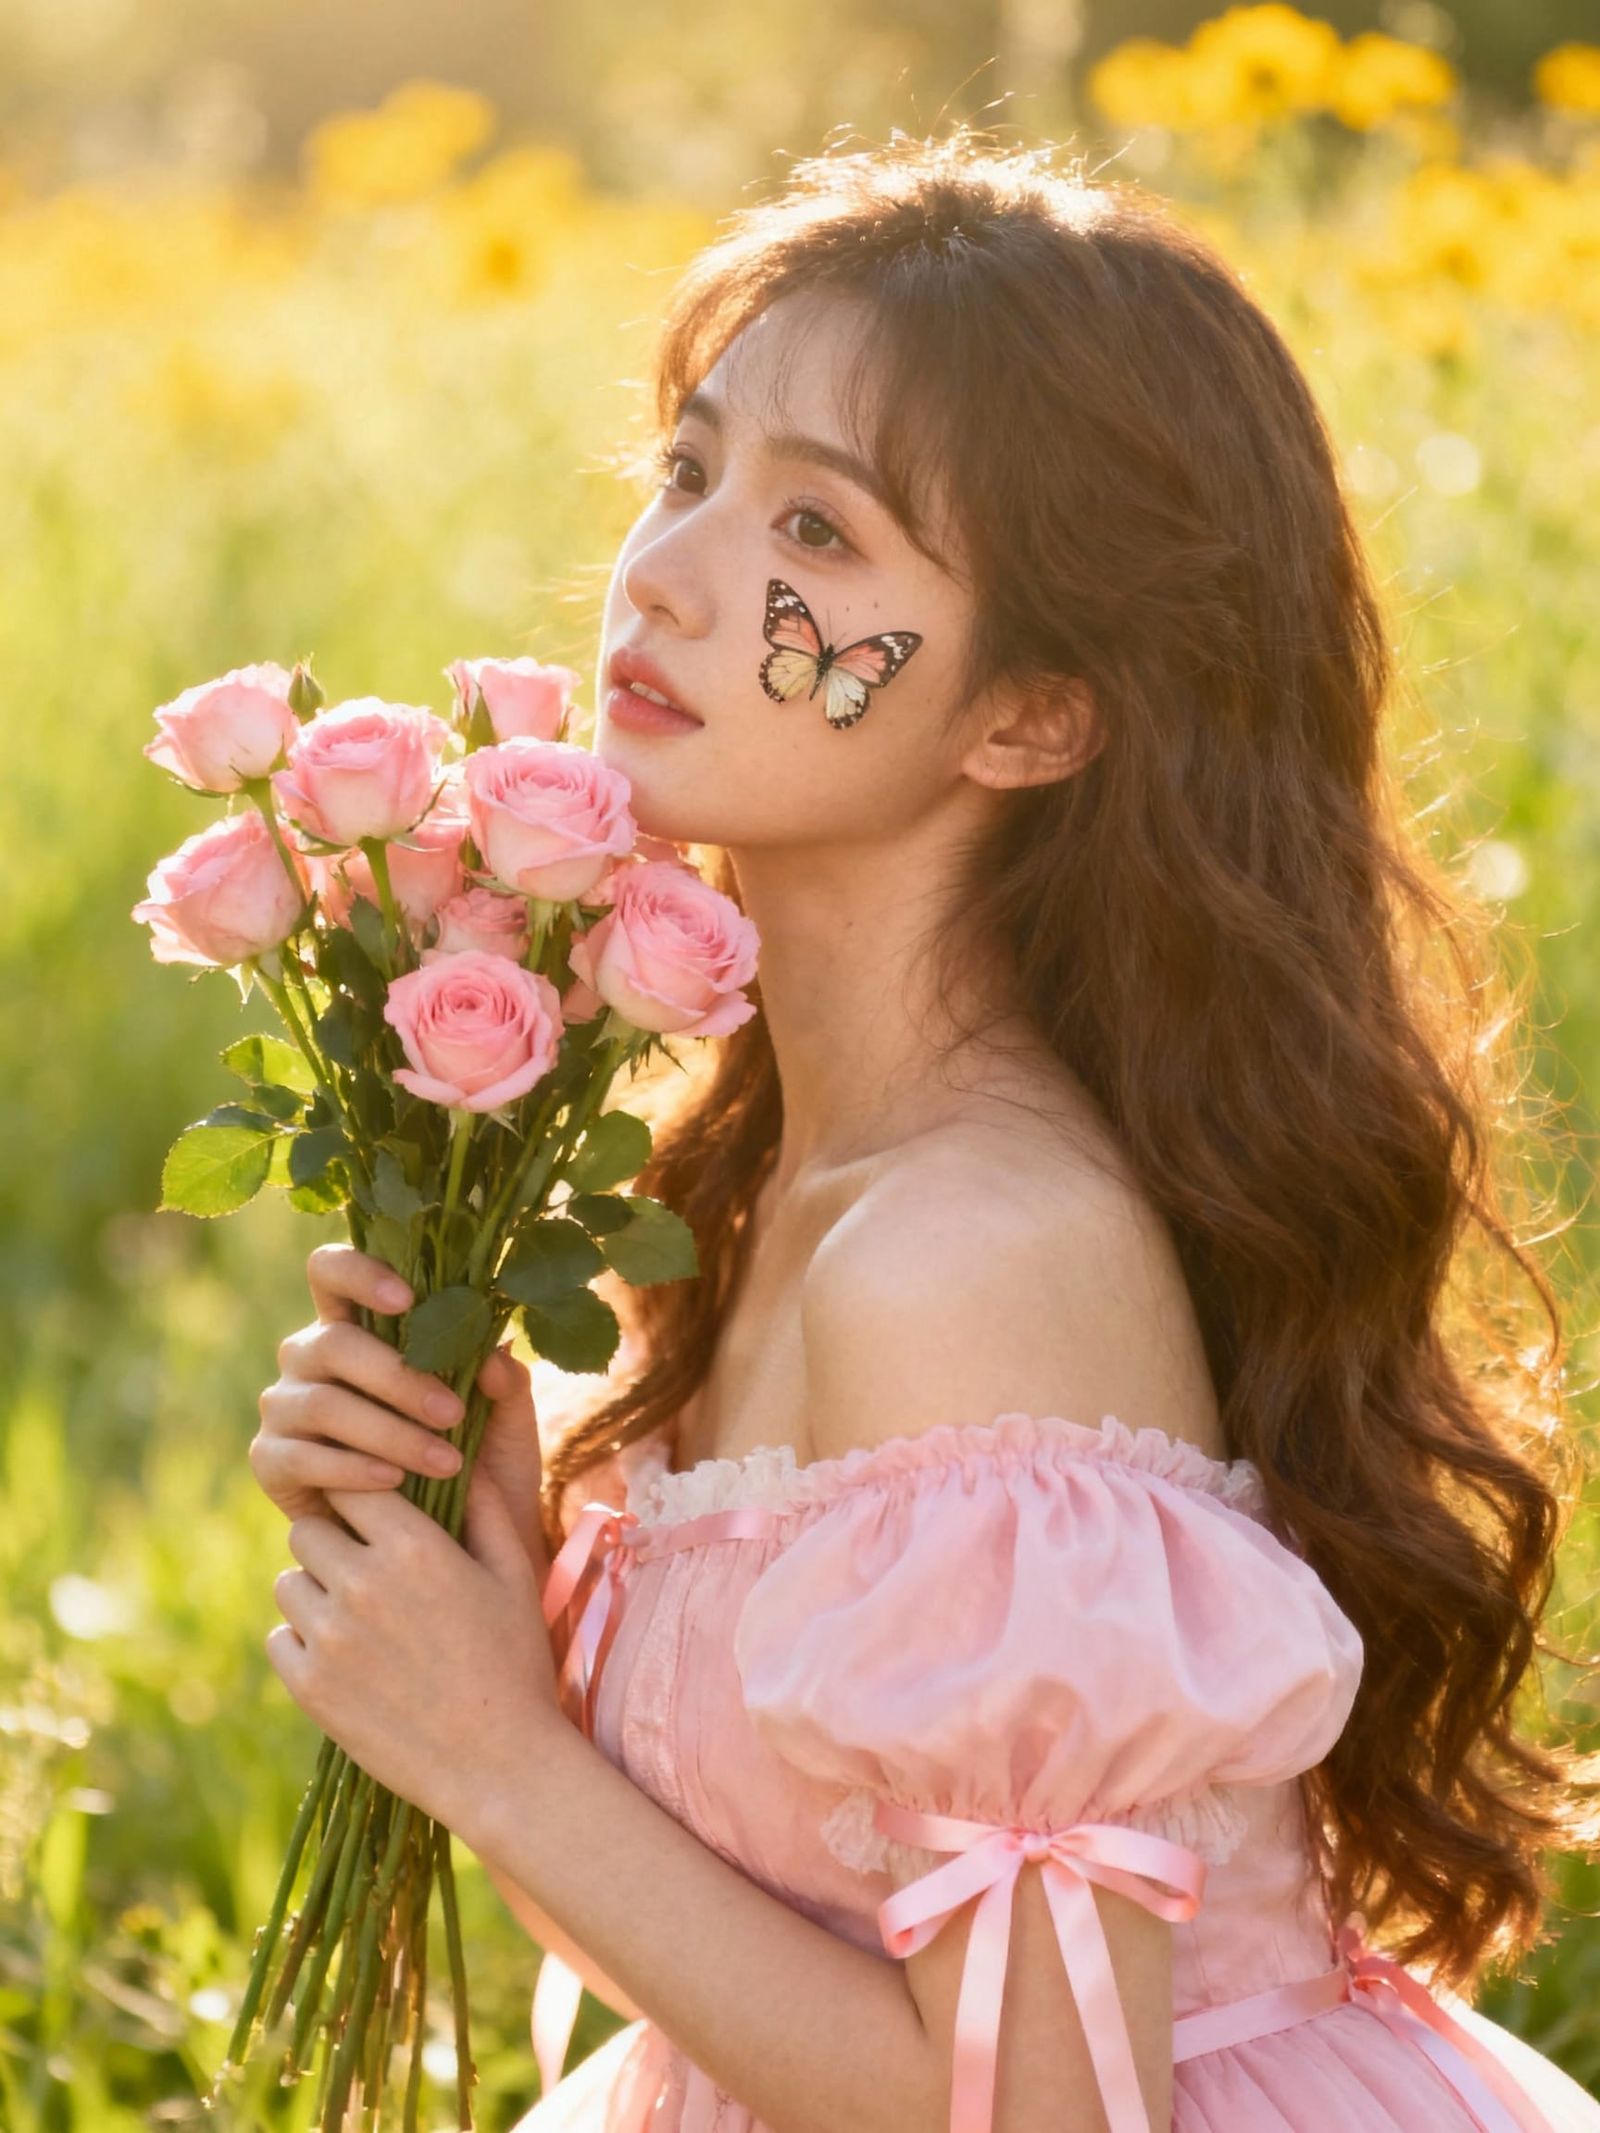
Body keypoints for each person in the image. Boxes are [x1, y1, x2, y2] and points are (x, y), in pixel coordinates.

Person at [253, 129, 1600, 2132]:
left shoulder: (971, 1253)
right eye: (691, 471)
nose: (675, 570)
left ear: (1033, 714)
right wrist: (487, 1583)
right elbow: (728, 1949)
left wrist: (495, 1747)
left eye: (820, 535)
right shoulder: (732, 1173)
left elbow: (1036, 2115)